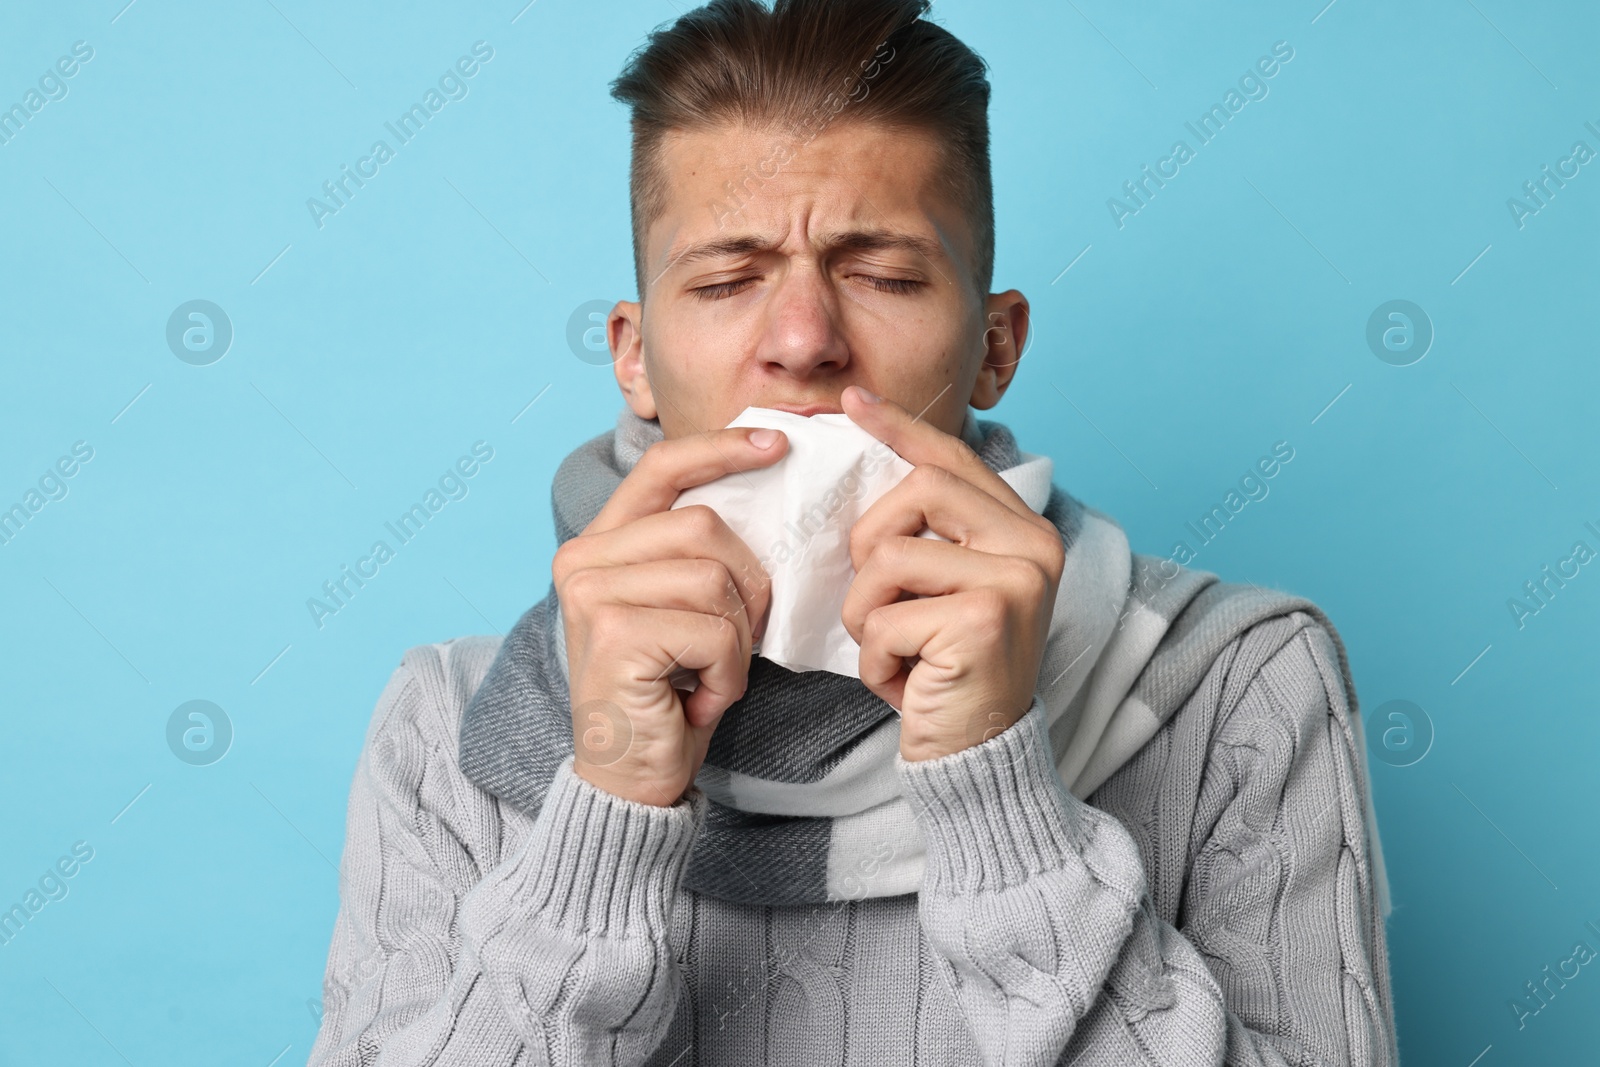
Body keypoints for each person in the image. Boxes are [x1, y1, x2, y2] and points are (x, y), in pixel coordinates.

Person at [306, 1, 1399, 1063]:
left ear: (993, 345)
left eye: (881, 274)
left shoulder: (1237, 685)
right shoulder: (449, 724)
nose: (802, 340)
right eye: (729, 278)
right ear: (634, 358)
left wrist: (994, 782)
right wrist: (607, 800)